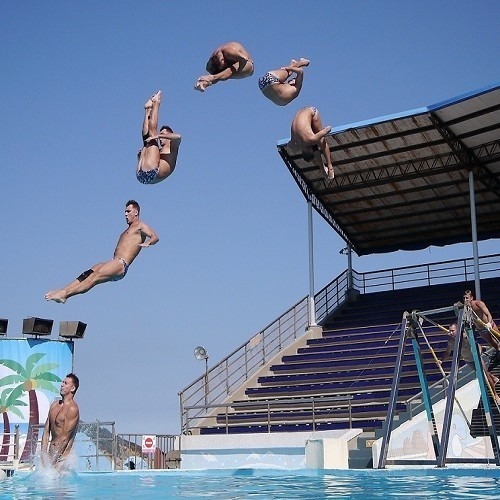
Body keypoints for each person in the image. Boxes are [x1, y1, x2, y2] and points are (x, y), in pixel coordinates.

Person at [45, 200, 159, 303]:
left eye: (128, 211)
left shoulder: (140, 225)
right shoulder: (126, 230)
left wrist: (149, 242)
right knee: (89, 272)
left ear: (136, 212)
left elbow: (155, 237)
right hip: (114, 262)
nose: (125, 214)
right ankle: (63, 290)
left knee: (94, 277)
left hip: (121, 264)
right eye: (124, 212)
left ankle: (65, 295)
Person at [440, 323, 500, 402]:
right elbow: (447, 352)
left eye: (453, 331)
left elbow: (478, 345)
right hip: (468, 360)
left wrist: (478, 353)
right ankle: (493, 378)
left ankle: (495, 395)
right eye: (450, 331)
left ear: (458, 330)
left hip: (476, 358)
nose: (451, 333)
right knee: (482, 374)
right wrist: (441, 360)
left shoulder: (466, 336)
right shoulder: (451, 341)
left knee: (484, 375)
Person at [137, 90, 181, 185]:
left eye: (163, 135)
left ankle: (156, 103)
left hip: (151, 173)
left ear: (168, 136)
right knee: (147, 141)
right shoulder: (158, 152)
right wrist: (140, 157)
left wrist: (158, 135)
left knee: (152, 137)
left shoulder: (172, 148)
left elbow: (178, 136)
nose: (160, 138)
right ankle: (148, 110)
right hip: (142, 174)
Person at [41, 373, 80, 468]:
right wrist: (43, 456)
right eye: (62, 382)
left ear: (72, 388)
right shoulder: (54, 405)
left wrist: (55, 463)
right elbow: (46, 432)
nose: (62, 385)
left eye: (66, 383)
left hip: (61, 459)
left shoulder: (72, 409)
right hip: (51, 455)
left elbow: (64, 439)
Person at [290, 106, 334, 180]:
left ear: (309, 150)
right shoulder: (294, 144)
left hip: (313, 111)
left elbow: (329, 128)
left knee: (321, 140)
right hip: (300, 111)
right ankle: (322, 169)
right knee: (315, 142)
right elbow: (289, 144)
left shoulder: (310, 139)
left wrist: (323, 132)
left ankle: (330, 167)